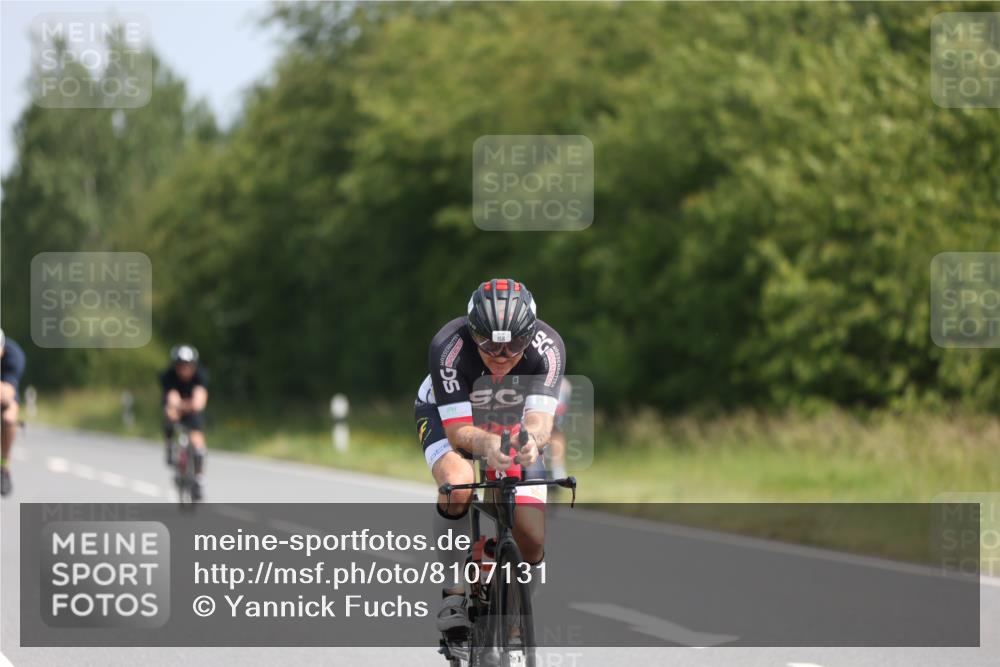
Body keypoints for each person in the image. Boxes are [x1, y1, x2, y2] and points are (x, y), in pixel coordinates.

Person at [414, 278, 566, 634]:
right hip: (451, 414)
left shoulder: (549, 348)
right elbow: (459, 434)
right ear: (472, 332)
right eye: (487, 345)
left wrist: (531, 441)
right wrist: (487, 447)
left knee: (531, 536)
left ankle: (513, 594)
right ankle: (453, 593)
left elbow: (541, 422)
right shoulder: (448, 346)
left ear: (529, 336)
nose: (501, 357)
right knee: (459, 484)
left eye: (513, 346)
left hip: (512, 419)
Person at [160, 344, 209, 500]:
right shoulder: (168, 376)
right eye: (181, 366)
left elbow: (199, 400)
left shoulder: (200, 375)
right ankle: (169, 446)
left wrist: (189, 405)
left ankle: (198, 480)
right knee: (170, 418)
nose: (184, 370)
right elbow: (171, 398)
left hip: (191, 409)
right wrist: (177, 407)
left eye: (187, 366)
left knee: (198, 442)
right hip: (175, 406)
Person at [0, 328, 26, 497]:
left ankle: (4, 467)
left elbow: (7, 395)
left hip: (3, 396)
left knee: (9, 418)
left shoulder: (13, 355)